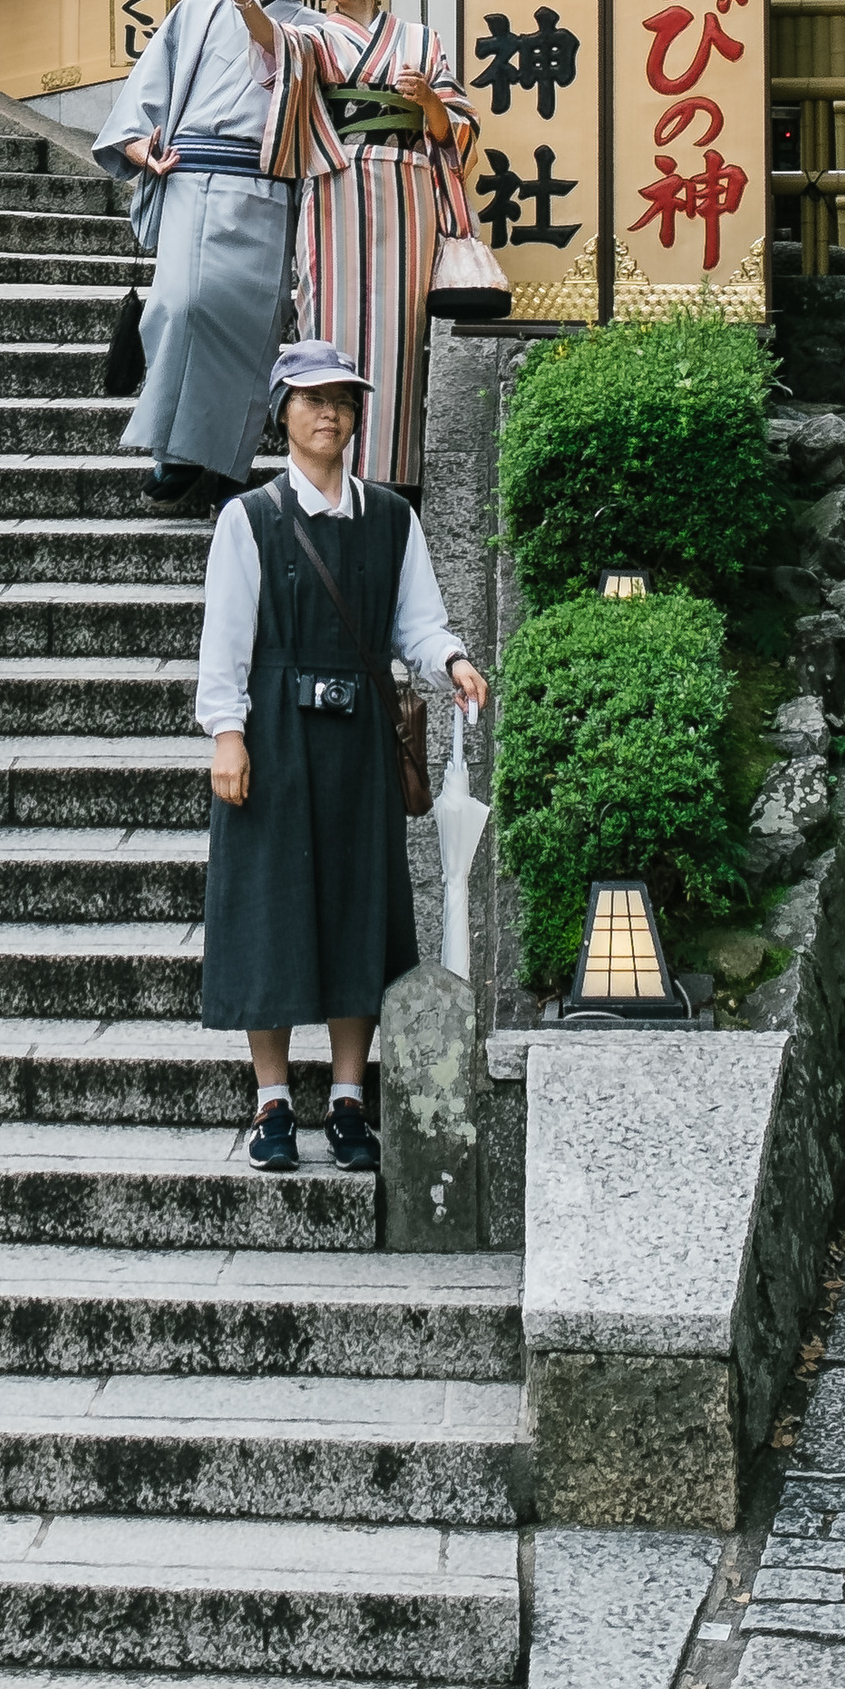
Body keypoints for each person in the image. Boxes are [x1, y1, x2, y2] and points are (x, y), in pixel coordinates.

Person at [197, 343, 487, 1173]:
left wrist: (454, 661)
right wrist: (227, 731)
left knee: (363, 909)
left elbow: (418, 624)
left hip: (360, 733)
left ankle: (353, 1098)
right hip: (274, 738)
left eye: (344, 401)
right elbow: (226, 640)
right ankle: (273, 1101)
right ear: (281, 411)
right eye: (312, 399)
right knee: (270, 910)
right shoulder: (247, 519)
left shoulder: (392, 517)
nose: (330, 414)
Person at [222, 0, 478, 489]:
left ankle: (396, 479)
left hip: (409, 191)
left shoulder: (420, 40)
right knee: (329, 322)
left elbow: (454, 128)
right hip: (336, 185)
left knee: (404, 333)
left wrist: (430, 99)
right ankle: (323, 473)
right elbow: (273, 44)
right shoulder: (314, 35)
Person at [91, 0, 320, 515]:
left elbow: (281, 64)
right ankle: (173, 451)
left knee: (249, 328)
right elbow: (145, 98)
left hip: (267, 189)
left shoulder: (311, 28)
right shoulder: (192, 13)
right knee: (180, 306)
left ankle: (226, 461)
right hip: (192, 178)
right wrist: (139, 147)